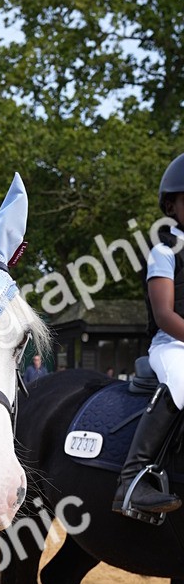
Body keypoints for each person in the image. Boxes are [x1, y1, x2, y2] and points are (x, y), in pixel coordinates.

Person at [113, 154, 184, 517]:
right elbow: (165, 314)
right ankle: (133, 480)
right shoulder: (165, 250)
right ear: (171, 206)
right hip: (173, 344)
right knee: (182, 381)